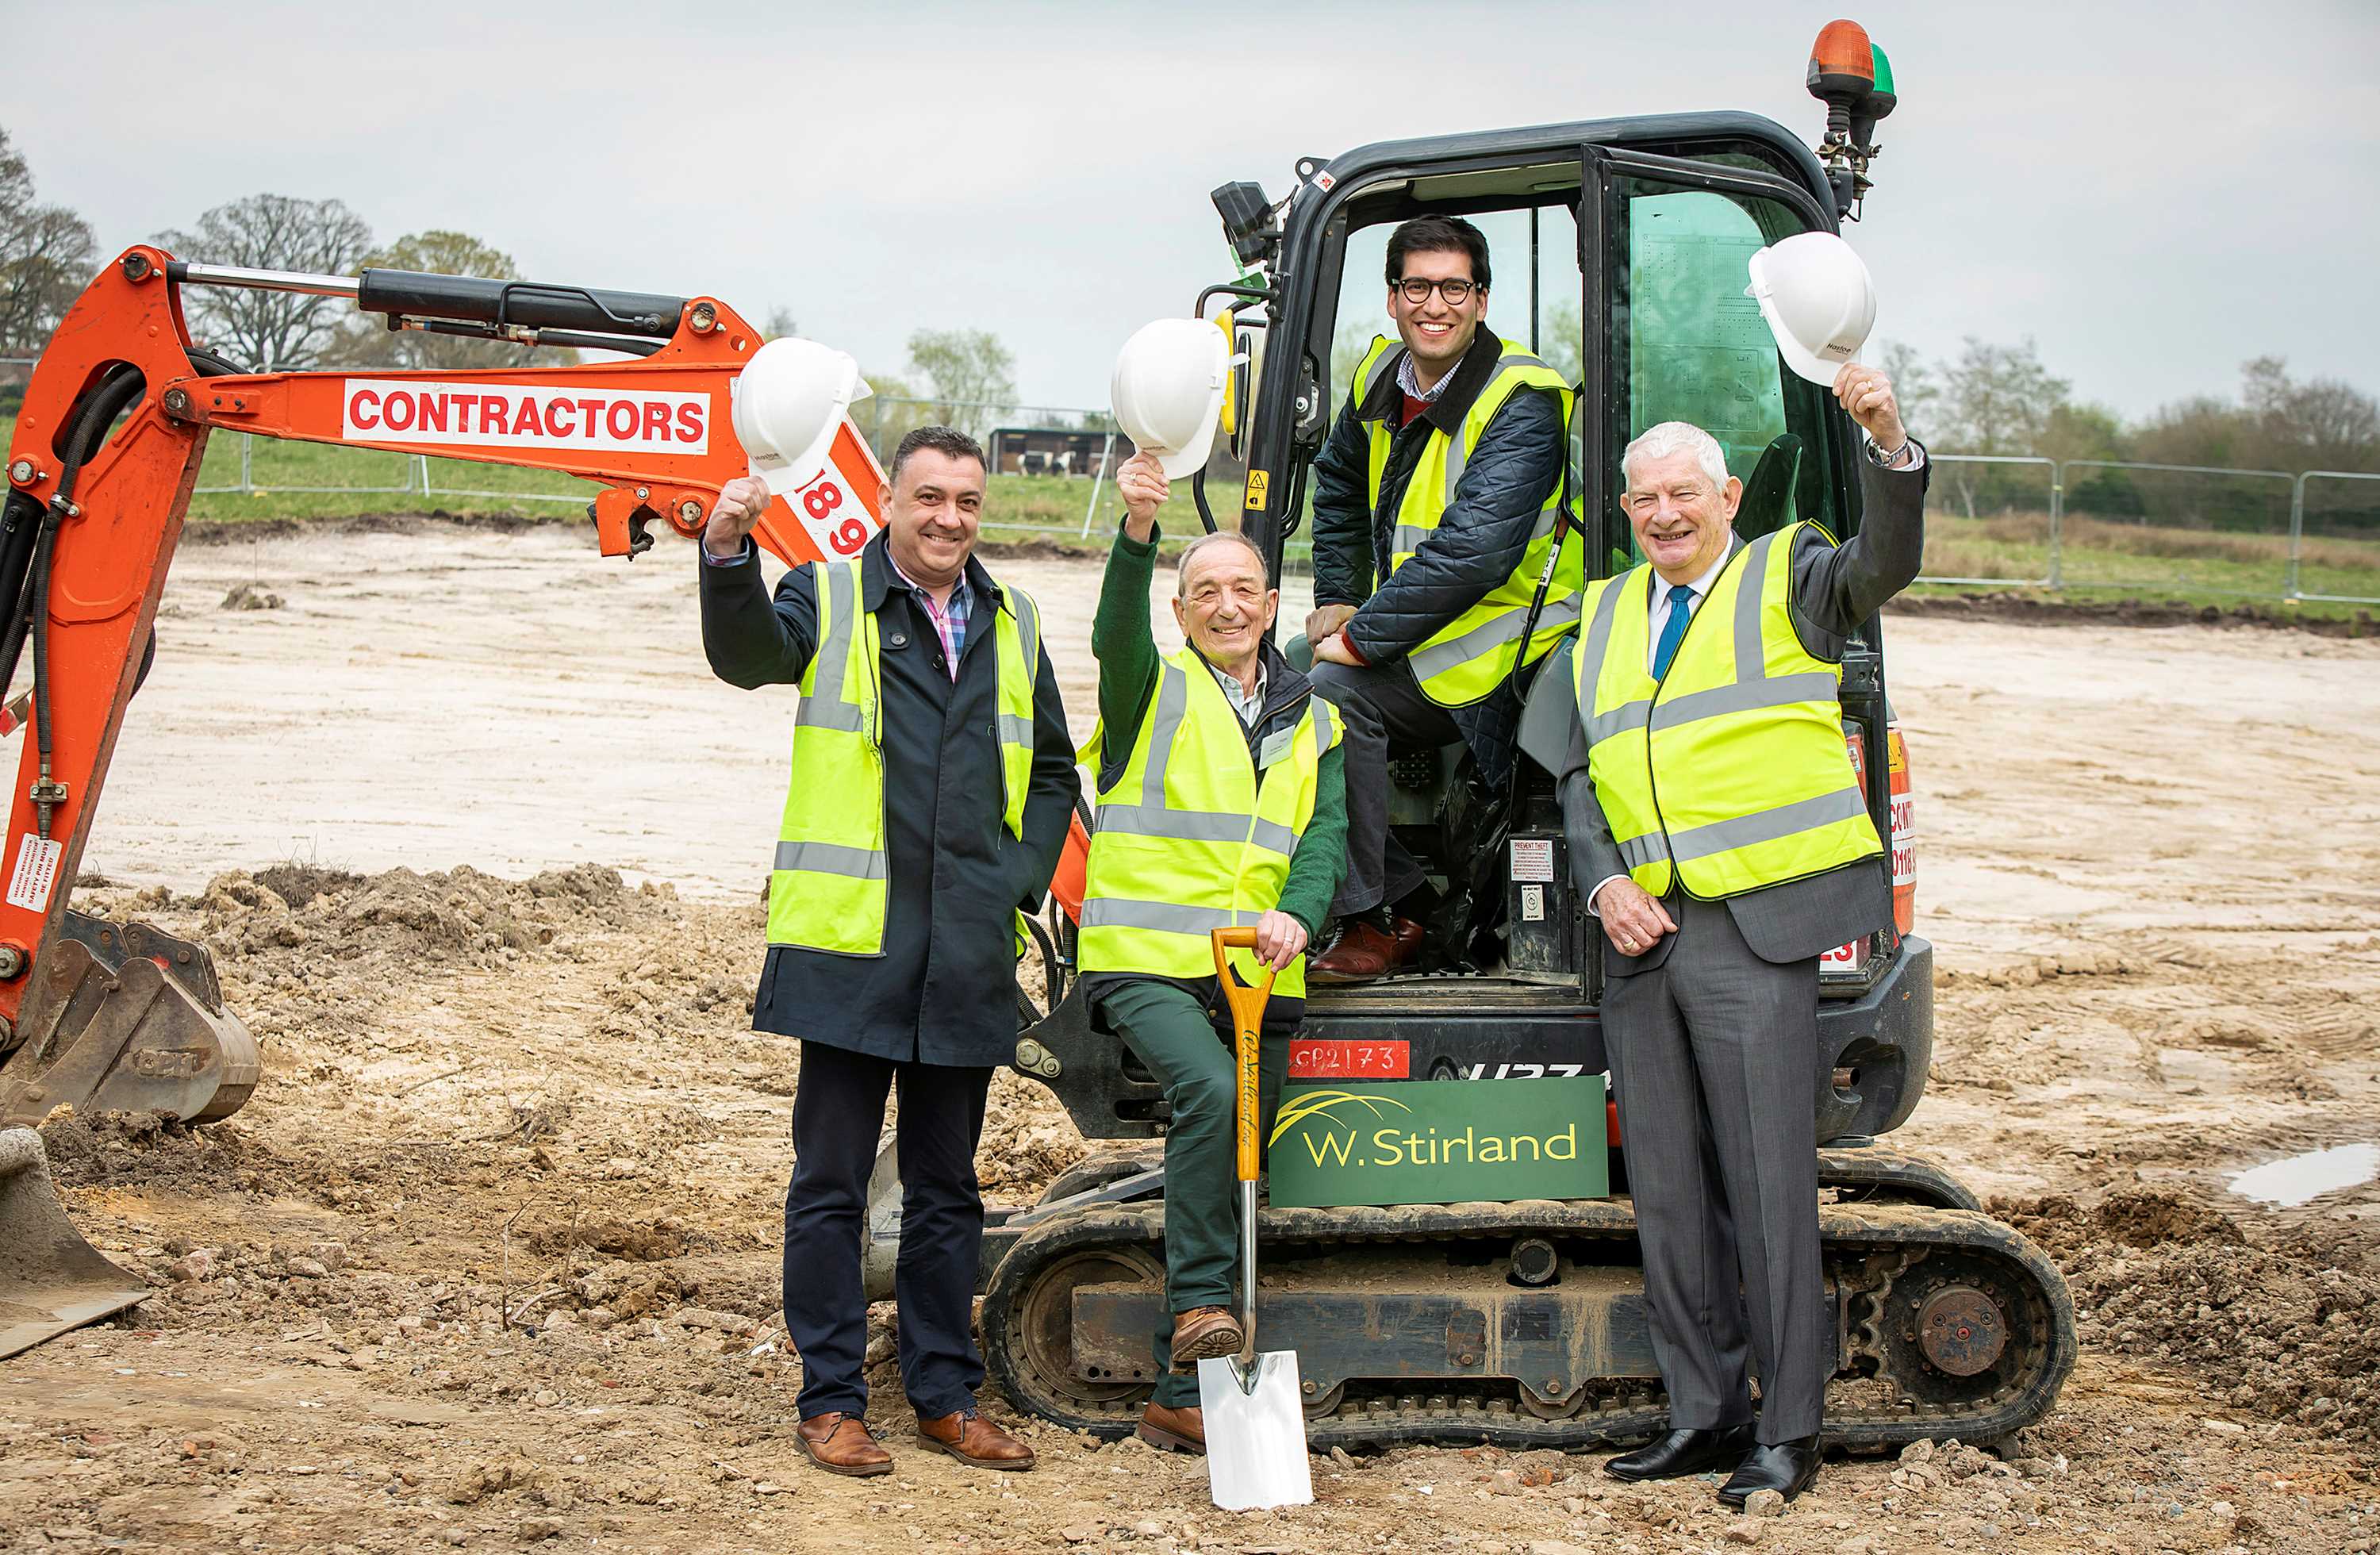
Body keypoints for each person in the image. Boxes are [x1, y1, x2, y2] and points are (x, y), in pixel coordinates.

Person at [1518, 365, 1925, 1507]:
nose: (1662, 514)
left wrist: (1889, 444)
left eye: (1682, 494)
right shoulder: (1603, 614)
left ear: (1727, 495)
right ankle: (1700, 1414)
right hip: (1640, 936)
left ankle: (1786, 1434)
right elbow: (1580, 777)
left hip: (1753, 930)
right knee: (1669, 1190)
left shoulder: (1785, 580)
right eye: (1642, 499)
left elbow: (1882, 564)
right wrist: (1599, 888)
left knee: (1764, 1184)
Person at [699, 426, 1080, 1477]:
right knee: (828, 1184)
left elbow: (1052, 769)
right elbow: (746, 659)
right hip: (852, 945)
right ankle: (831, 1401)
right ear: (887, 498)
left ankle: (944, 1396)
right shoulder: (824, 599)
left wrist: (1017, 875)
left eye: (967, 500)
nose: (949, 518)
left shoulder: (1012, 618)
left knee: (947, 1187)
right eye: (929, 498)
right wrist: (729, 556)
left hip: (964, 945)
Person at [1081, 451, 1346, 1455]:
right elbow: (1116, 635)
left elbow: (1320, 844)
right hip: (1147, 958)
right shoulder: (1153, 688)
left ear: (1272, 604)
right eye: (1205, 594)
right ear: (1183, 611)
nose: (1226, 607)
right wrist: (1136, 535)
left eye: (1243, 590)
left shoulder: (1314, 718)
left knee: (1242, 1160)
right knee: (1211, 1097)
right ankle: (1200, 1303)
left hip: (1260, 971)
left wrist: (1297, 918)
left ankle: (1177, 1391)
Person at [1301, 213, 1580, 983]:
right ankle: (1408, 894)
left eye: (1455, 287)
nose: (1436, 304)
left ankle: (1376, 921)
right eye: (1417, 286)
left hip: (1510, 636)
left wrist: (1359, 639)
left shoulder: (1523, 400)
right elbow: (1337, 483)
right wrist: (1338, 597)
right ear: (1392, 299)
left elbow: (1476, 554)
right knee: (1289, 671)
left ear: (1482, 301)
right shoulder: (1379, 377)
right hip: (1427, 624)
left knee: (1330, 687)